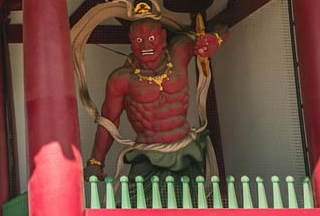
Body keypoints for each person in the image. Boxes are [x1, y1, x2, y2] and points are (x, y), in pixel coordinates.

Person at [84, 13, 226, 181]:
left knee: (195, 197)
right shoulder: (121, 79)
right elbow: (108, 121)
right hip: (148, 155)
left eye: (151, 38)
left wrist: (214, 39)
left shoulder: (180, 51)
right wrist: (96, 162)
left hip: (186, 149)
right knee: (142, 197)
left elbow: (221, 27)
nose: (145, 45)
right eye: (139, 40)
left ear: (163, 36)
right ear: (131, 41)